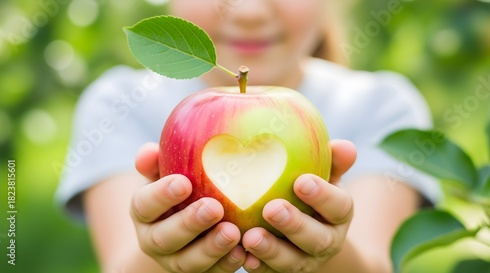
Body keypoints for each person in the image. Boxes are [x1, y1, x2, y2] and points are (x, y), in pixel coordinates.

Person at [56, 1, 441, 272]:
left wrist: (328, 258)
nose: (249, 10)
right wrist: (158, 259)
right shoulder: (121, 104)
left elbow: (374, 267)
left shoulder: (381, 106)